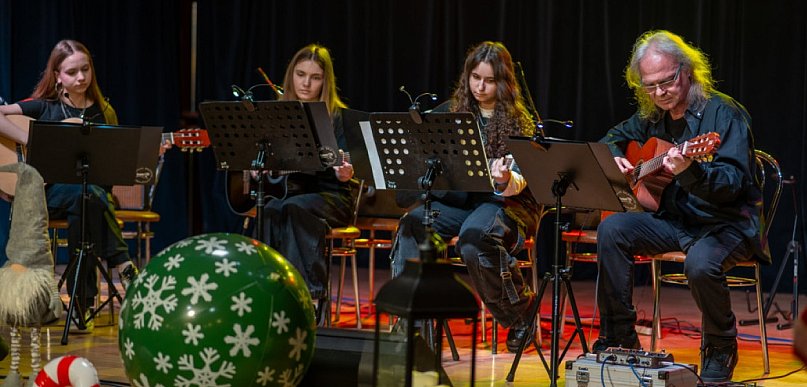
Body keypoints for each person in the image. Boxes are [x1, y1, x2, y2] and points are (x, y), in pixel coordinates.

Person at [595, 30, 766, 383]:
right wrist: (616, 159)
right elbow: (611, 138)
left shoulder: (725, 114)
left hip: (726, 223)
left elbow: (733, 186)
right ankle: (620, 337)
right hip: (676, 222)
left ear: (687, 70)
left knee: (701, 264)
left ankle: (720, 345)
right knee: (612, 229)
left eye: (668, 81)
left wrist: (691, 172)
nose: (659, 93)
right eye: (650, 86)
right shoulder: (652, 116)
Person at [390, 41, 541, 353]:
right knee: (412, 224)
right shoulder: (449, 113)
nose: (480, 87)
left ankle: (521, 315)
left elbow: (521, 182)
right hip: (460, 204)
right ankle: (412, 325)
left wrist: (503, 180)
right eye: (475, 78)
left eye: (489, 80)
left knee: (475, 239)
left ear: (504, 82)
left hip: (505, 203)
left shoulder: (520, 121)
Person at [0, 39, 144, 327]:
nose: (81, 77)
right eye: (72, 72)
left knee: (87, 199)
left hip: (89, 197)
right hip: (47, 196)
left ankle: (81, 306)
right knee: (88, 199)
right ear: (57, 76)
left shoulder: (104, 112)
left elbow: (113, 168)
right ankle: (121, 265)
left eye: (85, 69)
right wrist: (33, 140)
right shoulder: (43, 107)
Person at [257, 44, 354, 304]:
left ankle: (306, 296)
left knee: (294, 208)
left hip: (332, 196)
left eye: (315, 77)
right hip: (291, 195)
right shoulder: (278, 114)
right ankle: (268, 292)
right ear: (291, 75)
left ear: (325, 81)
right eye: (300, 74)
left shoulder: (338, 116)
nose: (306, 83)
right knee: (270, 209)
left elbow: (350, 167)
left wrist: (345, 172)